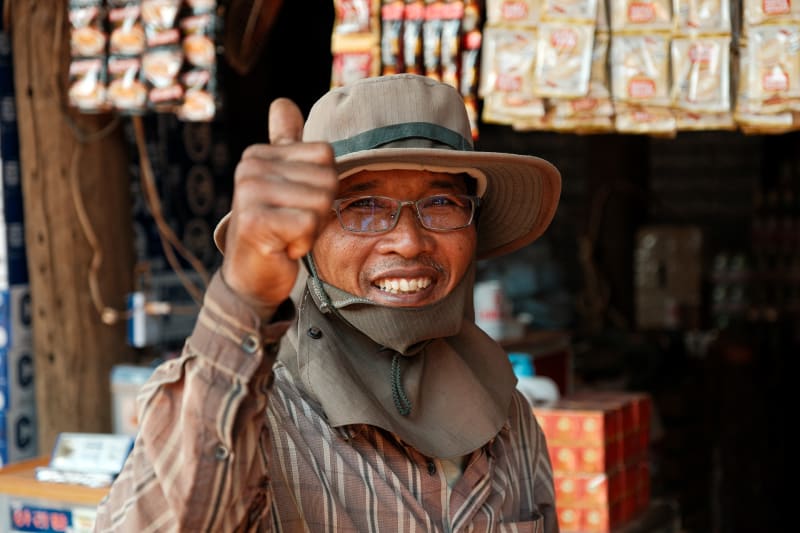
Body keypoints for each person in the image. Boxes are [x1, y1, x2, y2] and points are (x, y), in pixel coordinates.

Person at [94, 73, 562, 532]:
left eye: (441, 202)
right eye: (363, 206)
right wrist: (242, 298)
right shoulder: (251, 416)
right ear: (308, 239)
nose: (408, 241)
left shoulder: (510, 418)